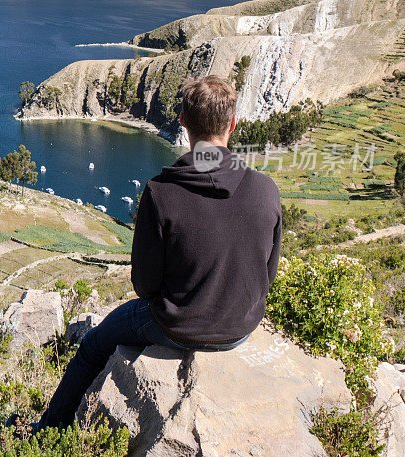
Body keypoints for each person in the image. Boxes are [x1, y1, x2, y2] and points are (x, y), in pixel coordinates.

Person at [36, 75, 282, 430]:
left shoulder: (160, 192)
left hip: (177, 326)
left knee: (92, 346)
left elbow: (146, 287)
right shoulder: (265, 189)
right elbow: (267, 275)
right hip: (242, 326)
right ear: (233, 124)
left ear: (181, 121)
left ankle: (47, 432)